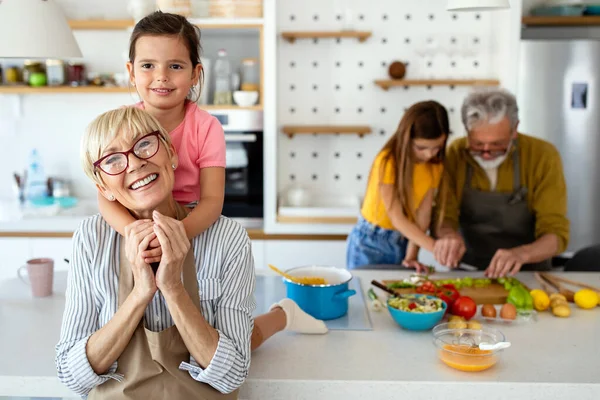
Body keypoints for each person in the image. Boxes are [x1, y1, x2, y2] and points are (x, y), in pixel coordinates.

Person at [55, 107, 254, 398]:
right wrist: (140, 293)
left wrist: (172, 287)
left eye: (144, 144)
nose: (134, 163)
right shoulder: (91, 238)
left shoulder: (227, 238)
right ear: (103, 187)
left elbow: (233, 374)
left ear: (171, 154)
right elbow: (72, 376)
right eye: (112, 159)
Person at [99, 11, 224, 265]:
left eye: (175, 66)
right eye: (148, 65)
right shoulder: (121, 125)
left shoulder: (207, 127)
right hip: (137, 223)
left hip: (189, 224)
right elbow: (104, 196)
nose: (161, 76)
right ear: (131, 72)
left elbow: (212, 200)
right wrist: (133, 232)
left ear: (195, 74)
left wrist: (177, 234)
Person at [434, 88, 570, 278]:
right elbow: (443, 217)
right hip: (469, 270)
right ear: (467, 131)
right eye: (478, 144)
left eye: (497, 144)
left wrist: (522, 254)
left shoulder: (543, 156)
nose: (487, 152)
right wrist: (448, 237)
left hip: (529, 271)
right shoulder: (455, 154)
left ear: (515, 130)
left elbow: (556, 233)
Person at [346, 101, 452, 271]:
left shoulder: (435, 166)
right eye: (421, 147)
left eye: (437, 147)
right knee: (364, 293)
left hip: (402, 242)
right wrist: (436, 248)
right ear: (406, 139)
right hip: (370, 242)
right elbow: (397, 218)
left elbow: (423, 216)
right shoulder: (387, 162)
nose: (429, 154)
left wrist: (411, 255)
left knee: (395, 295)